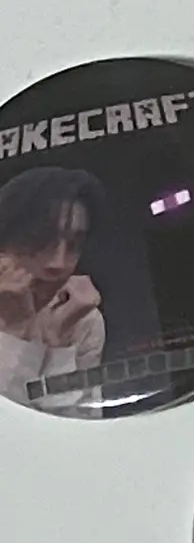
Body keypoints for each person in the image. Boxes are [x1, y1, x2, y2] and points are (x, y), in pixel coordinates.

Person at [0, 167, 106, 413]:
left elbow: (80, 426)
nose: (58, 263)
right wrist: (14, 333)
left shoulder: (82, 320)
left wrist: (59, 348)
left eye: (74, 244)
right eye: (40, 240)